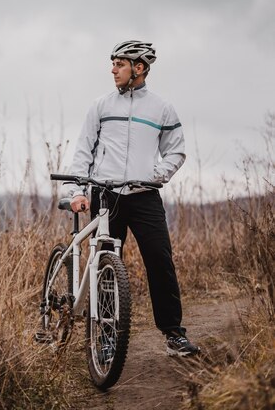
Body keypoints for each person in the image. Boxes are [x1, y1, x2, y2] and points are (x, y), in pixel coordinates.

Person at [63, 40, 200, 357]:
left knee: (160, 262)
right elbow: (82, 151)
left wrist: (156, 175)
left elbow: (176, 151)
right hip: (105, 194)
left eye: (120, 64)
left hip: (144, 196)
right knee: (105, 267)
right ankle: (106, 338)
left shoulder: (161, 108)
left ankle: (173, 335)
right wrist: (76, 192)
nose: (112, 69)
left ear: (139, 68)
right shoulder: (101, 105)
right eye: (112, 63)